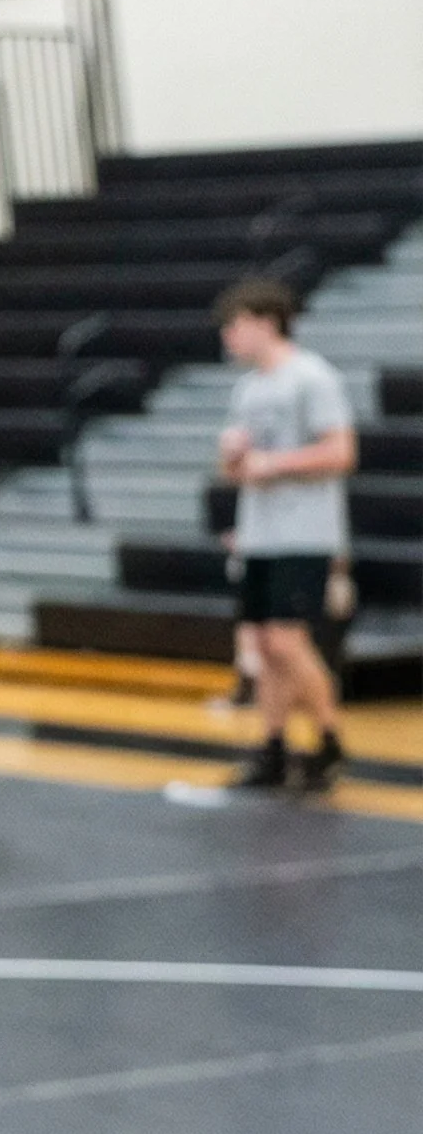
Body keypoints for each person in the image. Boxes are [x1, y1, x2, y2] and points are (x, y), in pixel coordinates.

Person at [214, 277, 355, 793]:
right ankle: (273, 746)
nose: (228, 337)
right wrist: (234, 460)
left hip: (304, 531)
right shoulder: (248, 389)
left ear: (265, 322)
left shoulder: (311, 377)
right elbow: (239, 471)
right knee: (266, 646)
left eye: (235, 325)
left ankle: (329, 738)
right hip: (261, 532)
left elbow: (340, 453)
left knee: (286, 639)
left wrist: (272, 463)